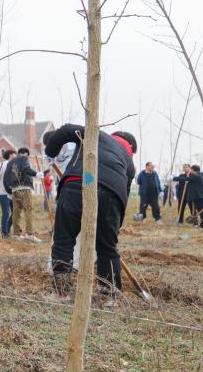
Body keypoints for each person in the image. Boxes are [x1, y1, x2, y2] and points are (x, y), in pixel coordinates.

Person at [44, 126, 136, 305]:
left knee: (63, 240)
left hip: (78, 183)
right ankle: (109, 296)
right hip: (112, 196)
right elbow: (124, 195)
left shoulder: (95, 133)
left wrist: (50, 152)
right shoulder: (128, 160)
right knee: (107, 247)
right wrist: (113, 229)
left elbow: (66, 130)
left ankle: (61, 293)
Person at [3, 147, 39, 240]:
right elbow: (26, 169)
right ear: (26, 154)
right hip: (25, 188)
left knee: (16, 212)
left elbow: (5, 178)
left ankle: (16, 234)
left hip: (15, 189)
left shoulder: (10, 162)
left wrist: (9, 190)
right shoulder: (24, 158)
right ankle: (29, 234)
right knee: (28, 209)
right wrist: (36, 174)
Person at [0, 150, 16, 239]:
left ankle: (7, 229)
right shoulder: (2, 165)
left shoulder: (14, 165)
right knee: (6, 212)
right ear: (10, 155)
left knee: (15, 212)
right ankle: (4, 233)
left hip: (11, 193)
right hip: (2, 192)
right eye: (14, 154)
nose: (16, 155)